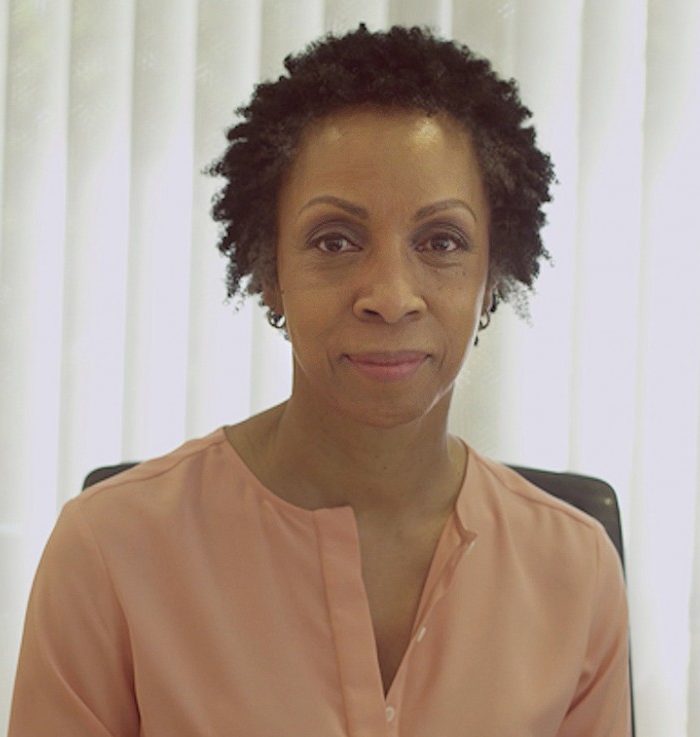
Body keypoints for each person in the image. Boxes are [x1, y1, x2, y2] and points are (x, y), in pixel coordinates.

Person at [8, 24, 631, 736]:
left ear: (492, 277)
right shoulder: (108, 550)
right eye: (335, 240)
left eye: (442, 241)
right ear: (270, 272)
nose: (390, 296)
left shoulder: (577, 570)